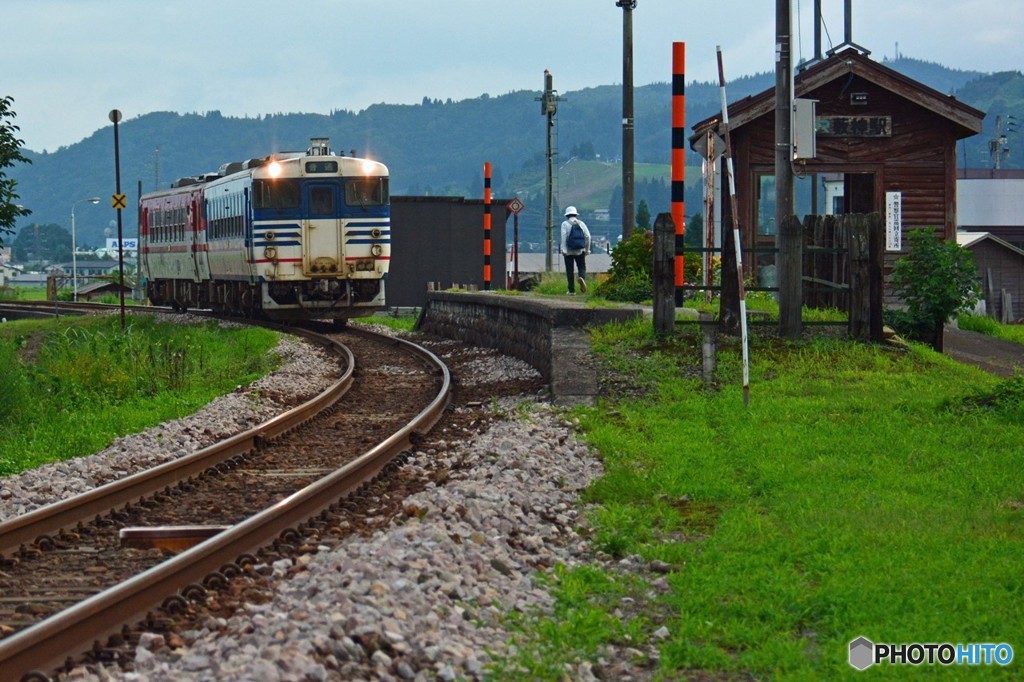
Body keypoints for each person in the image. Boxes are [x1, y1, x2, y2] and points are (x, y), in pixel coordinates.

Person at [560, 206, 591, 295]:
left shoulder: (565, 224)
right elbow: (588, 237)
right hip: (580, 250)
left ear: (567, 215)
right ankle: (581, 278)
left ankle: (571, 290)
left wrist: (564, 250)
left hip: (569, 251)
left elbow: (563, 237)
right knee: (581, 267)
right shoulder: (581, 223)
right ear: (576, 214)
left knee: (569, 270)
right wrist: (587, 249)